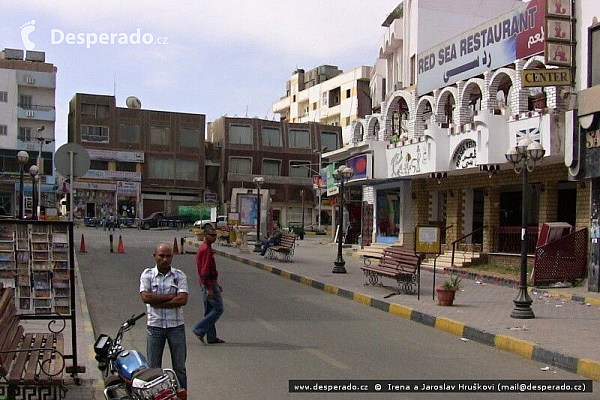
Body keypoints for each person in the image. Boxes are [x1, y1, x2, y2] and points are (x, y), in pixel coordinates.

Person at [140, 243, 189, 390]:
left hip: (176, 327)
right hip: (155, 327)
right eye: (161, 256)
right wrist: (171, 297)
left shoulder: (179, 275)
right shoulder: (147, 274)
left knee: (179, 368)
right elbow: (146, 297)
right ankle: (156, 395)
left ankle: (181, 395)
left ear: (172, 257)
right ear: (154, 256)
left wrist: (157, 300)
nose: (165, 259)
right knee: (153, 369)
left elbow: (183, 300)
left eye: (168, 256)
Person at [193, 227, 225, 344]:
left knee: (209, 310)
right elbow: (205, 271)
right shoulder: (206, 249)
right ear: (206, 235)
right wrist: (210, 288)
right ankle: (199, 329)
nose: (214, 237)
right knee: (218, 309)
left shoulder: (206, 248)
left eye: (215, 235)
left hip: (207, 282)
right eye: (212, 235)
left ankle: (211, 337)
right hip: (207, 283)